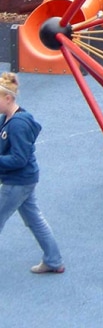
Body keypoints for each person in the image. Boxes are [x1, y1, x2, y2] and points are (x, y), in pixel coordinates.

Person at [0, 72, 65, 275]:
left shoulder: (17, 125)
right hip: (25, 179)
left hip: (17, 182)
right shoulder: (7, 118)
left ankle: (54, 260)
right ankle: (54, 260)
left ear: (8, 98)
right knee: (34, 219)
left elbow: (19, 158)